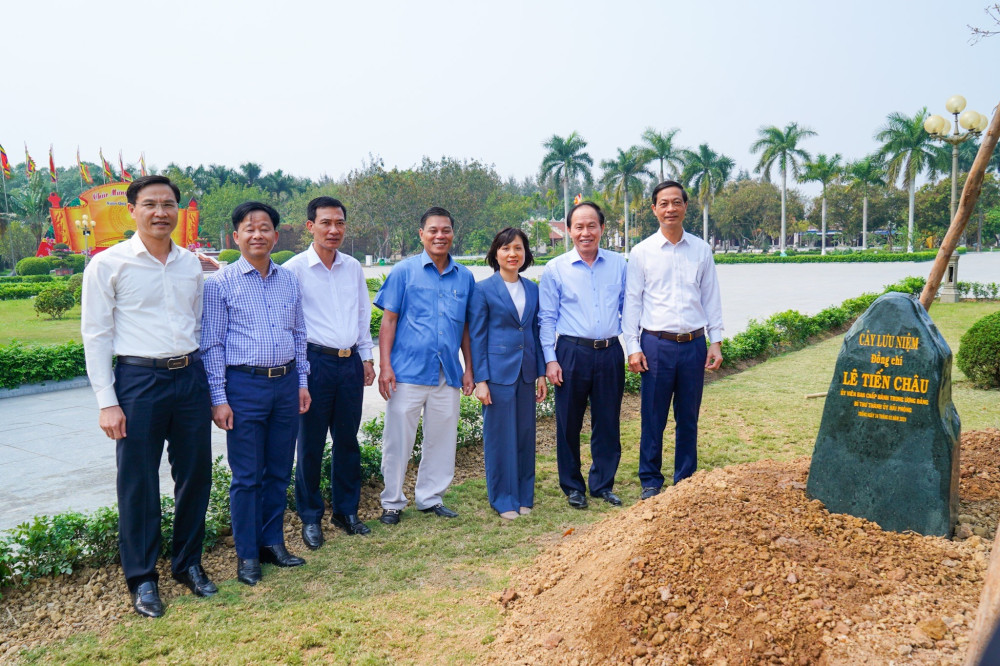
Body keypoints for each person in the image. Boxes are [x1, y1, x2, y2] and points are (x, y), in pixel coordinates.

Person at [81, 175, 216, 618]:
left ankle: (188, 563)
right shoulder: (108, 264)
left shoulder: (190, 264)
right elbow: (96, 335)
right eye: (151, 204)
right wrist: (107, 401)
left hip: (189, 376)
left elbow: (196, 321)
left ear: (178, 209)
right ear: (132, 210)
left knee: (195, 474)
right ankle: (141, 578)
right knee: (138, 481)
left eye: (169, 204)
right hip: (139, 381)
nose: (161, 212)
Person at [201, 201, 311, 585]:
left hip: (286, 383)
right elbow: (212, 344)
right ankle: (247, 555)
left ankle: (272, 543)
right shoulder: (219, 284)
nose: (257, 235)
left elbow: (300, 334)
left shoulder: (289, 280)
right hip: (244, 387)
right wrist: (219, 398)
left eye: (264, 228)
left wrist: (302, 383)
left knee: (279, 470)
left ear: (276, 236)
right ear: (236, 236)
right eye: (249, 228)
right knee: (247, 476)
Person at [373, 206, 475, 525]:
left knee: (442, 440)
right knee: (398, 441)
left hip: (448, 373)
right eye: (433, 230)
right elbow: (389, 321)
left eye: (446, 230)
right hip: (407, 373)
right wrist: (385, 366)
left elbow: (466, 328)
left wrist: (469, 368)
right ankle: (392, 502)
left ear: (453, 234)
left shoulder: (465, 277)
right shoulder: (404, 272)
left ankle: (431, 498)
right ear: (421, 235)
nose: (439, 236)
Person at [623, 180, 723, 499]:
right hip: (656, 344)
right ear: (654, 209)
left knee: (688, 416)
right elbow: (632, 302)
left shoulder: (701, 249)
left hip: (693, 344)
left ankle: (685, 479)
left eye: (676, 202)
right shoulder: (642, 252)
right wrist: (632, 347)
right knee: (653, 416)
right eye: (663, 204)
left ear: (685, 207)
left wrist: (716, 340)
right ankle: (651, 480)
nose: (670, 209)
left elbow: (710, 297)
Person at [284, 197, 375, 548]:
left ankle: (346, 511)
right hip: (314, 363)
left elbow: (362, 315)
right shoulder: (293, 270)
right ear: (310, 226)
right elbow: (290, 327)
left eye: (339, 223)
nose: (333, 230)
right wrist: (299, 374)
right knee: (310, 444)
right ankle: (310, 517)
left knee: (348, 441)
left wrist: (366, 358)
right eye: (326, 223)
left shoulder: (352, 267)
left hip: (349, 362)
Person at [538, 201, 627, 510]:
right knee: (568, 423)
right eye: (579, 227)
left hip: (610, 351)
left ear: (602, 228)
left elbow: (629, 309)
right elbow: (547, 318)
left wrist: (634, 346)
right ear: (569, 230)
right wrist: (550, 359)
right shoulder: (556, 268)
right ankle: (573, 486)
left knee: (608, 421)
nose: (585, 232)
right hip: (571, 352)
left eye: (592, 226)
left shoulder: (619, 264)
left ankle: (602, 484)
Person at [468, 227, 547, 520]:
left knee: (525, 437)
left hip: (526, 373)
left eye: (518, 248)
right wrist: (481, 380)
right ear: (496, 253)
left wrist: (541, 373)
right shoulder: (483, 290)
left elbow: (536, 333)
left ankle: (524, 495)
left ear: (525, 253)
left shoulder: (533, 289)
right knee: (500, 439)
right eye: (506, 248)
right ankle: (503, 499)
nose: (512, 254)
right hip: (497, 375)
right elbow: (477, 337)